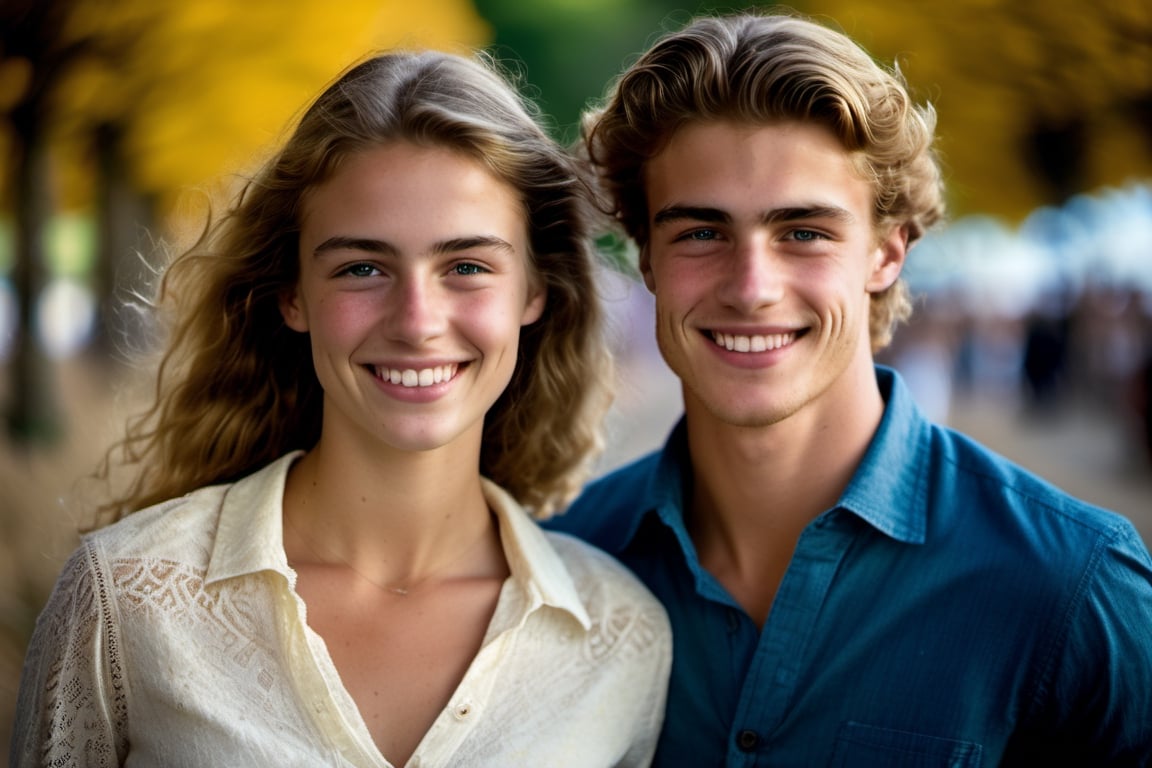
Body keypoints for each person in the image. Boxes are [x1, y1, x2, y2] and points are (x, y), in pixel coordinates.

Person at [11, 50, 671, 767]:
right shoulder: (128, 598)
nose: (417, 321)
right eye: (362, 267)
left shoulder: (621, 635)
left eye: (467, 267)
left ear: (535, 293)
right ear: (293, 294)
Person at [547, 10, 1152, 765]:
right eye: (701, 232)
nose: (752, 287)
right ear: (646, 261)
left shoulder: (1073, 586)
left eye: (804, 231)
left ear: (888, 254)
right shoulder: (561, 570)